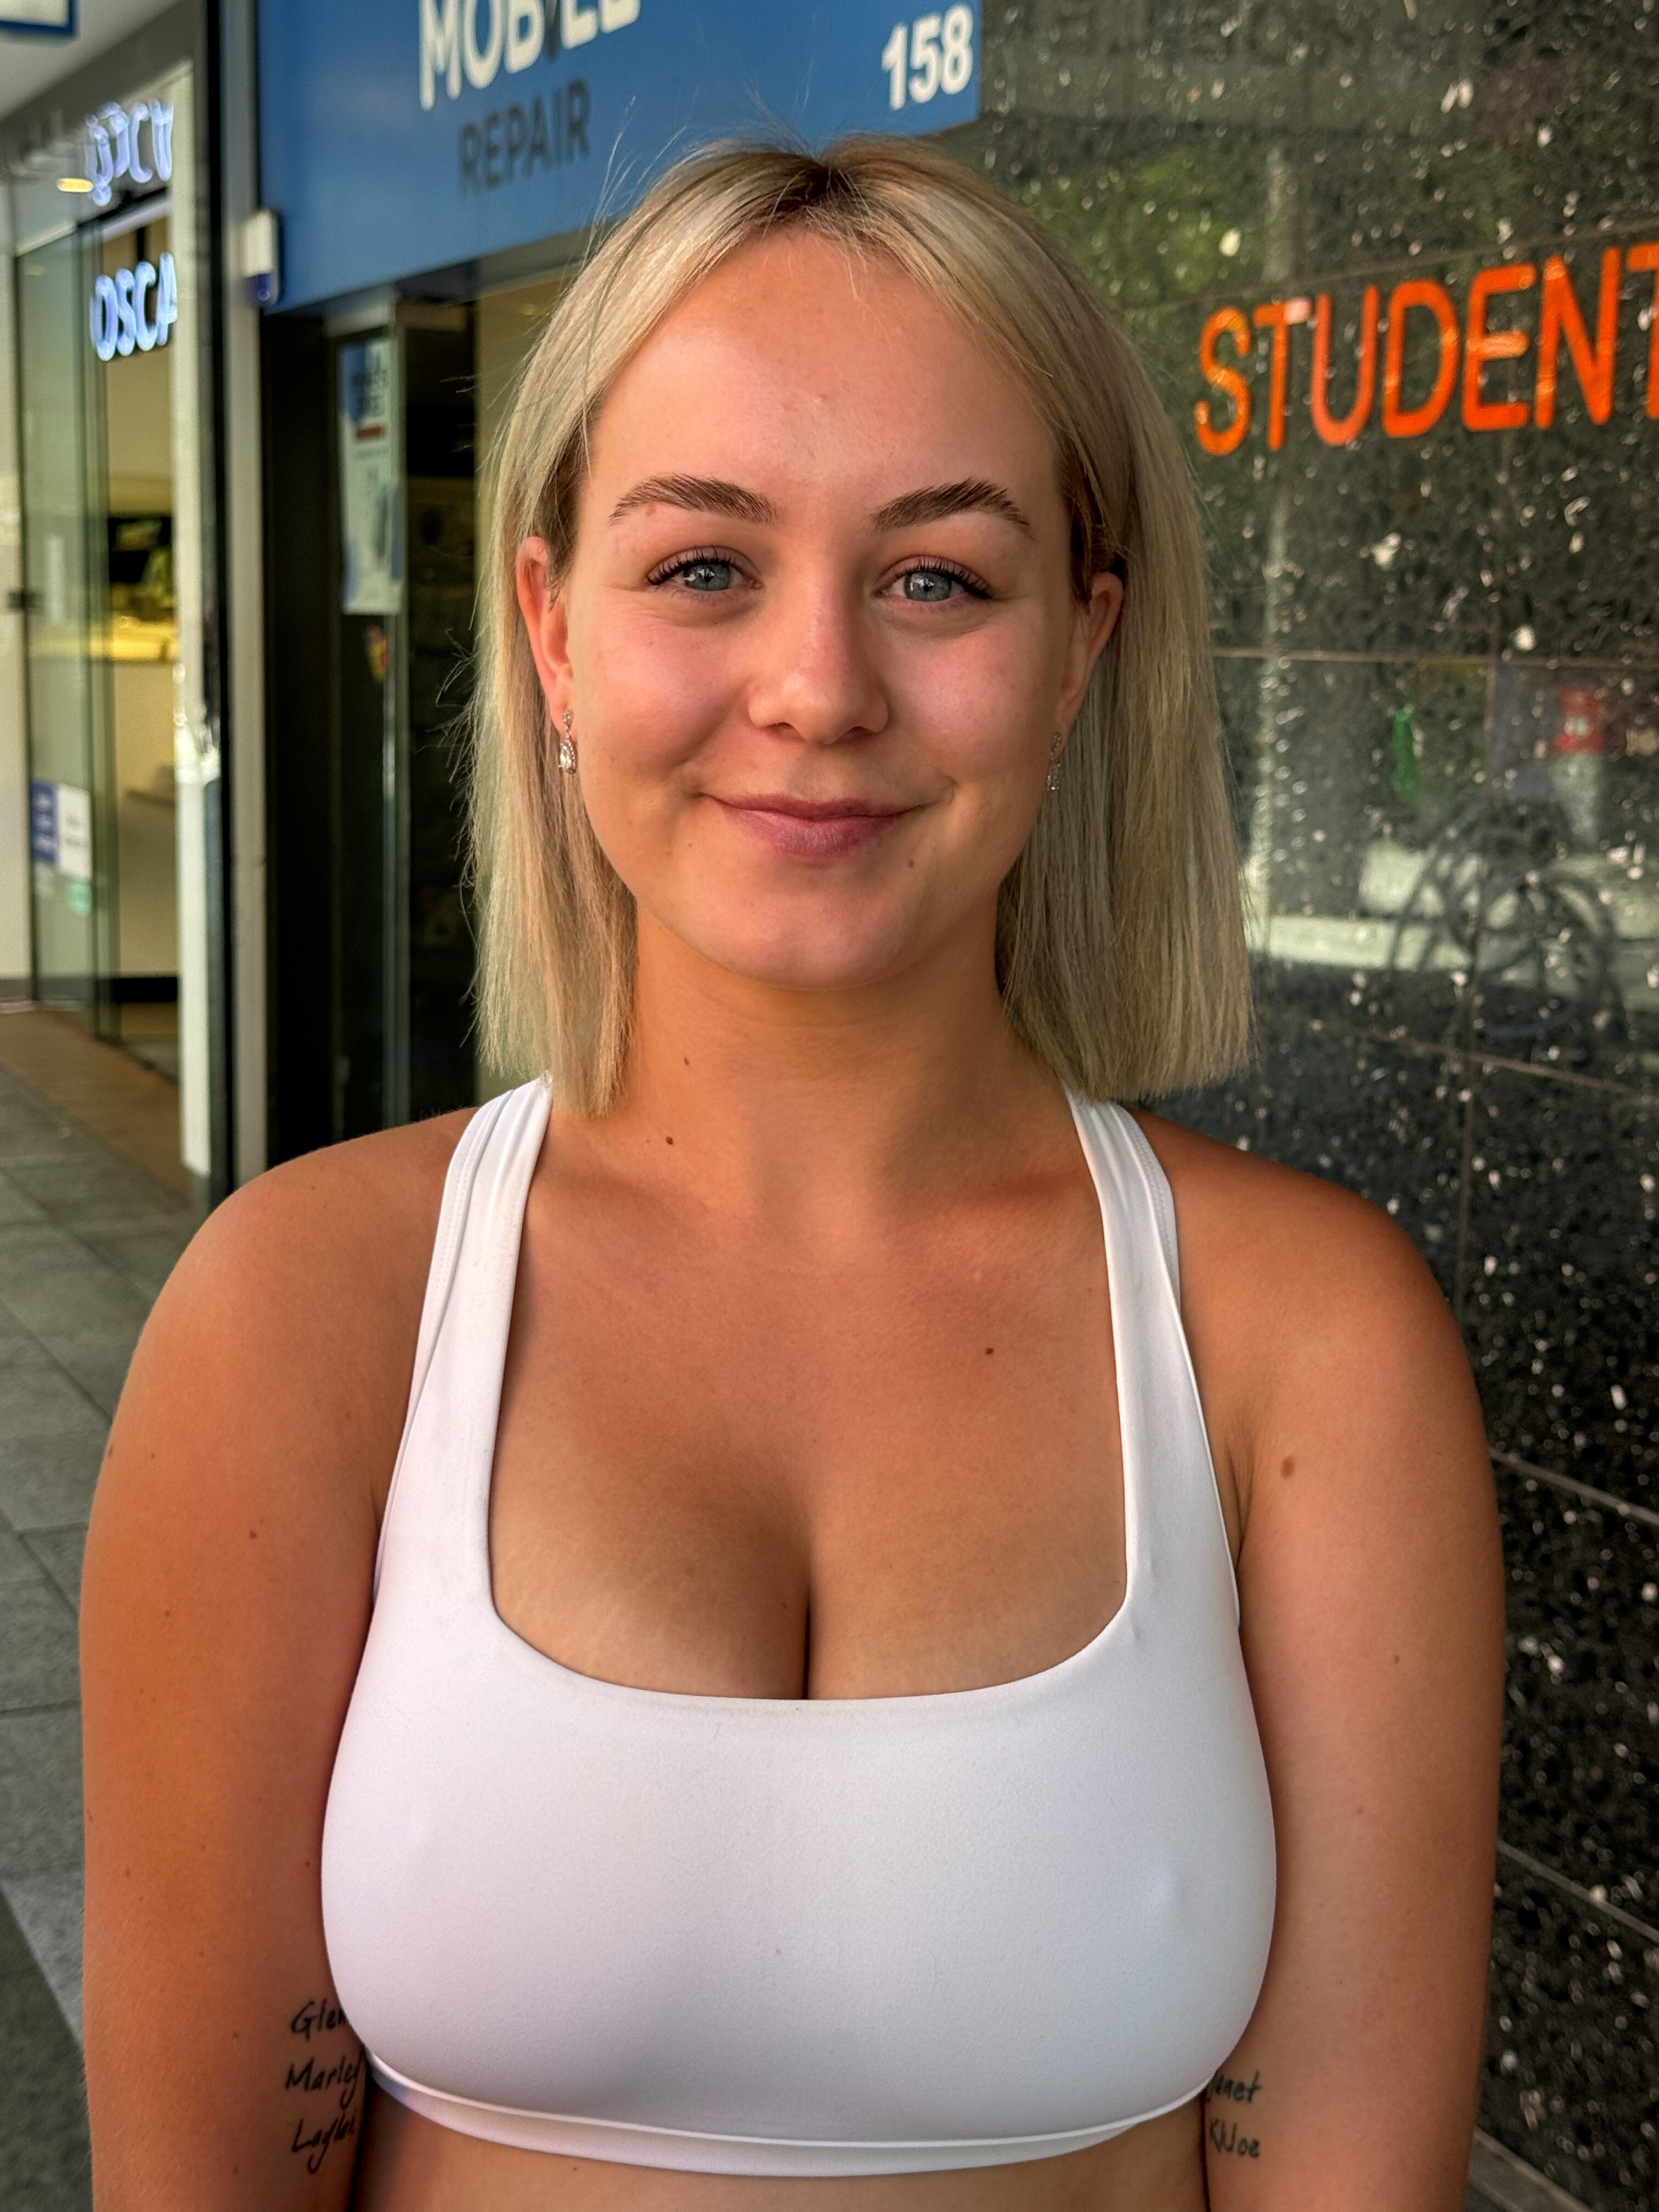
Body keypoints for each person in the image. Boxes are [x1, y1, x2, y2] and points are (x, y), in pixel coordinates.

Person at [80, 139, 1503, 2211]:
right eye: (702, 567)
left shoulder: (1306, 1344)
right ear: (552, 633)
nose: (820, 688)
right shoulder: (306, 1312)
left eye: (940, 577)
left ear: (1080, 647)